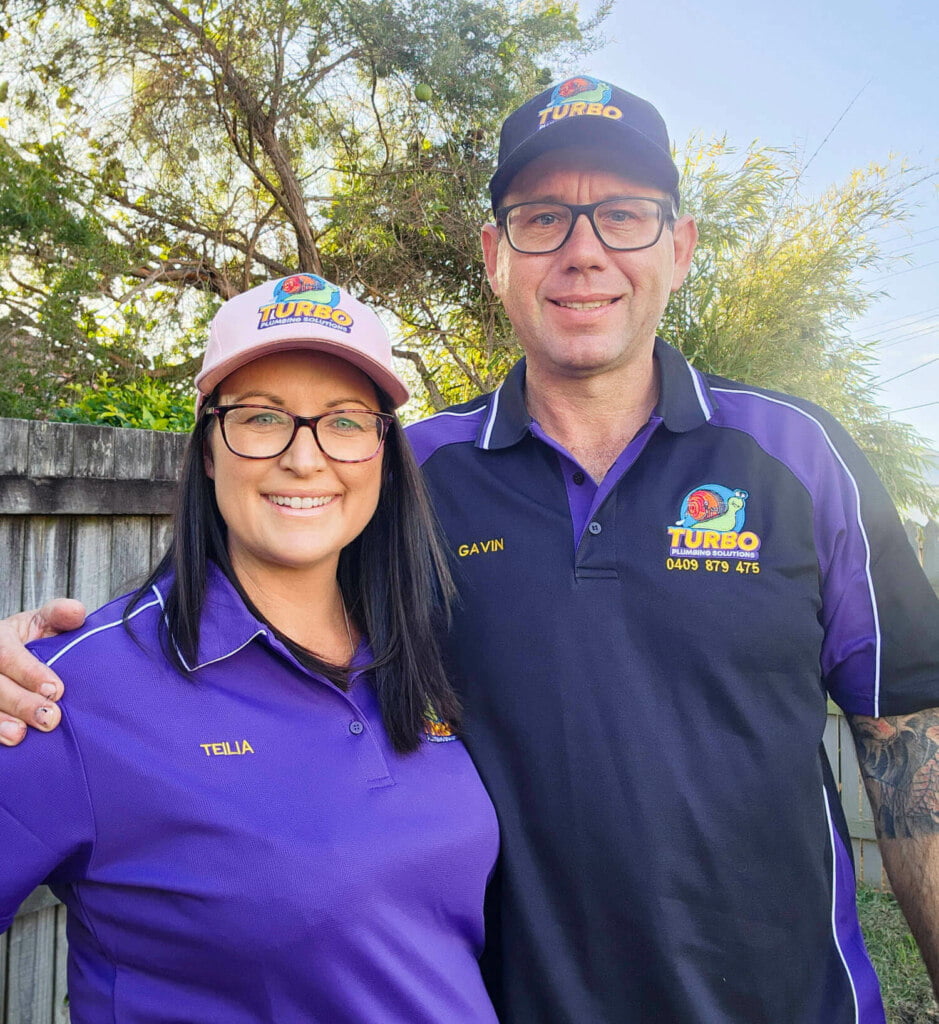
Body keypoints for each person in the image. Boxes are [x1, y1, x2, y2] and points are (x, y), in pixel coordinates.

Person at [3, 74, 939, 1022]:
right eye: (541, 219)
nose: (583, 253)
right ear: (495, 254)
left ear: (680, 246)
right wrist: (32, 660)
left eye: (623, 215)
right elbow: (245, 601)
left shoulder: (797, 455)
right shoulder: (410, 475)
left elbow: (908, 735)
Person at [0, 275, 500, 1023]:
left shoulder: (421, 651)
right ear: (207, 449)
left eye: (343, 421)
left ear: (384, 455)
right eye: (263, 419)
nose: (304, 459)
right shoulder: (74, 694)